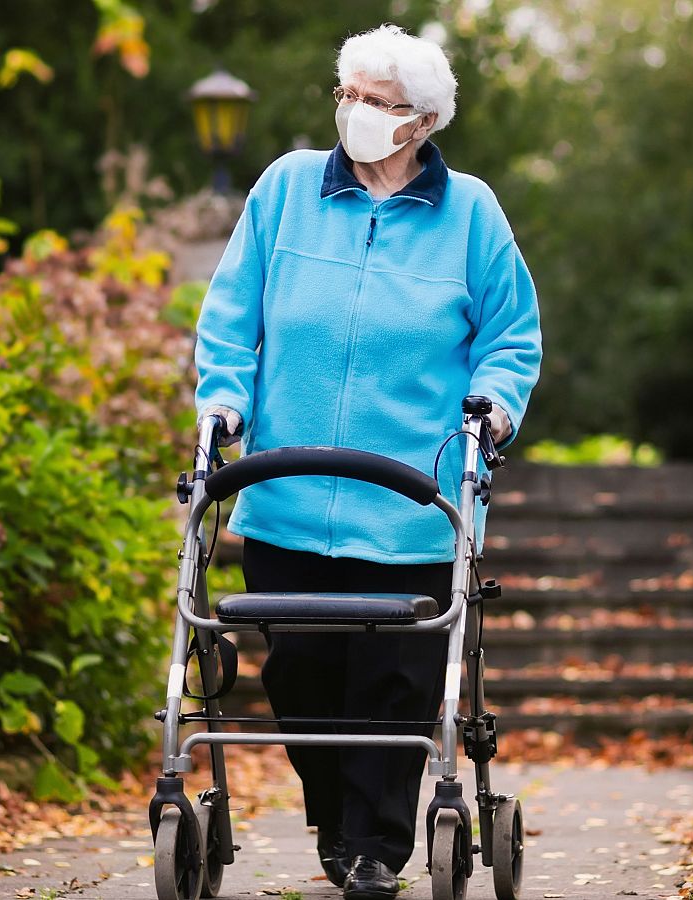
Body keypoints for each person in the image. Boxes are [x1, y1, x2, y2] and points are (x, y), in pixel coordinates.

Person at [194, 22, 543, 900]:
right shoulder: (282, 192)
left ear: (421, 122)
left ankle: (375, 849)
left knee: (396, 684)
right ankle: (338, 827)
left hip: (413, 503)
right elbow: (232, 312)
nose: (353, 111)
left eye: (375, 101)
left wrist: (492, 409)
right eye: (345, 92)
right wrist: (223, 395)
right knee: (300, 674)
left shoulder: (472, 215)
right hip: (286, 492)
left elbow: (510, 336)